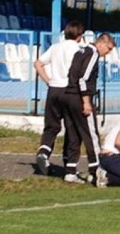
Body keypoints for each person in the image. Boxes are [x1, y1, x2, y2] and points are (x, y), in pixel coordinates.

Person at [60, 32, 115, 184]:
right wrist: (86, 101)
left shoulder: (80, 51)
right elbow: (83, 78)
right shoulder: (92, 53)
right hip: (79, 97)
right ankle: (97, 170)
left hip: (68, 96)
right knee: (91, 134)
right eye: (109, 49)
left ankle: (70, 171)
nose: (108, 53)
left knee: (73, 134)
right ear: (102, 43)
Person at [33, 20, 84, 175]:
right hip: (70, 90)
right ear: (80, 36)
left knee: (52, 125)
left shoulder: (55, 47)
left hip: (54, 88)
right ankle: (69, 164)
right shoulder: (80, 50)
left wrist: (48, 80)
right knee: (72, 127)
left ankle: (44, 151)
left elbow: (37, 63)